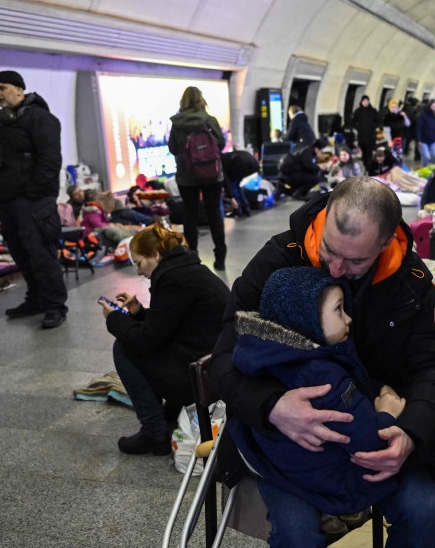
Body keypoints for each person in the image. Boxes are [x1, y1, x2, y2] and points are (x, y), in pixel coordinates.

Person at [210, 176, 435, 548]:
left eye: (355, 260)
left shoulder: (409, 282)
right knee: (297, 532)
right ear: (327, 214)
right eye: (329, 250)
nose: (334, 269)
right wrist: (271, 406)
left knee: (423, 511)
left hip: (376, 432)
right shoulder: (279, 260)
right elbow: (224, 357)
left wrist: (410, 433)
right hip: (291, 443)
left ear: (385, 241)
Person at [228, 266, 407, 515]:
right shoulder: (323, 377)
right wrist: (388, 414)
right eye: (338, 309)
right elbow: (371, 445)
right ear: (307, 318)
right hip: (335, 489)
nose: (348, 319)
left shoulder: (265, 355)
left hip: (276, 467)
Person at [100, 223, 229, 455]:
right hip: (214, 365)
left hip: (203, 376)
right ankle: (171, 413)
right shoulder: (187, 269)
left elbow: (145, 341)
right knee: (138, 340)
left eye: (139, 263)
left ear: (156, 255)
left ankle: (154, 432)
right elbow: (171, 322)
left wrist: (113, 319)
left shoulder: (172, 278)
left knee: (124, 348)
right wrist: (139, 313)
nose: (138, 271)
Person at [0, 71, 68, 328]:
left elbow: (50, 161)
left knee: (41, 254)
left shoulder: (42, 119)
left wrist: (33, 193)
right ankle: (36, 299)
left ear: (19, 89)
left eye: (2, 87)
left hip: (34, 202)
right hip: (8, 203)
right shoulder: (0, 125)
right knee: (21, 254)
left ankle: (55, 306)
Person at [167, 86, 228, 270]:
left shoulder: (177, 123)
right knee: (214, 214)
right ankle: (220, 258)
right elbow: (221, 143)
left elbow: (172, 148)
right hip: (212, 174)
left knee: (190, 216)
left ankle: (192, 256)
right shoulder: (209, 120)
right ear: (201, 100)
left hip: (187, 177)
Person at [221, 146, 260, 217]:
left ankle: (238, 209)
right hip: (252, 163)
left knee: (234, 186)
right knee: (237, 186)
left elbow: (226, 182)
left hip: (242, 164)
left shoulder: (221, 162)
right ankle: (246, 207)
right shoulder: (227, 156)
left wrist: (230, 196)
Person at [351, 95, 381, 168]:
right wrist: (357, 128)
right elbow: (353, 122)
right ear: (361, 102)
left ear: (368, 101)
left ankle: (369, 166)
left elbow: (378, 121)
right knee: (363, 151)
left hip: (371, 135)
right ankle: (365, 164)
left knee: (369, 151)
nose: (365, 102)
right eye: (364, 101)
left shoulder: (373, 111)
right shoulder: (358, 111)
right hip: (361, 136)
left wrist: (373, 127)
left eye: (367, 101)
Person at [415, 99, 435, 167]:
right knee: (425, 157)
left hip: (433, 140)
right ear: (430, 106)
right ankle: (423, 170)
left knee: (434, 157)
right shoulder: (423, 115)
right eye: (433, 106)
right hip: (423, 140)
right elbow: (419, 127)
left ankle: (432, 172)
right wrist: (419, 139)